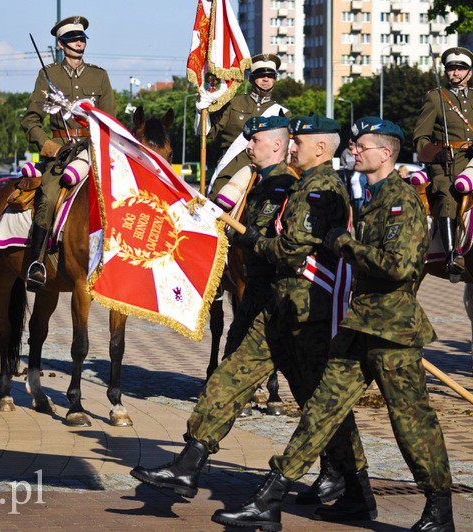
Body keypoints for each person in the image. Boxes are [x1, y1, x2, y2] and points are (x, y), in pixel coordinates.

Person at [211, 117, 454, 532]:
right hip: (360, 326)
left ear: (385, 153)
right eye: (354, 145)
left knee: (411, 421)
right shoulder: (374, 196)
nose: (354, 151)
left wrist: (344, 243)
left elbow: (399, 266)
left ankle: (439, 510)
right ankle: (270, 500)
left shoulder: (402, 200)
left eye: (362, 146)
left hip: (392, 332)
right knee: (320, 412)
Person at [131, 115, 374, 522]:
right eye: (290, 140)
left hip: (304, 313)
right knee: (230, 380)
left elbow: (288, 249)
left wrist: (250, 240)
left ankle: (353, 486)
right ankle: (188, 465)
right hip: (274, 310)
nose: (292, 146)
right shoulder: (284, 183)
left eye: (296, 141)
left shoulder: (309, 187)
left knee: (322, 403)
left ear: (316, 147)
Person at [21, 15, 115, 290]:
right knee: (49, 196)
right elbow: (30, 119)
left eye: (82, 38)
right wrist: (46, 144)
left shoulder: (99, 76)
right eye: (73, 39)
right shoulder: (49, 75)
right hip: (61, 155)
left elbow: (109, 118)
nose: (79, 42)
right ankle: (36, 262)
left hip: (94, 151)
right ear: (61, 44)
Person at [414, 46, 473, 277]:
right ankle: (452, 255)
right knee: (446, 194)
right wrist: (435, 153)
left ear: (470, 73)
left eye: (461, 69)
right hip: (447, 161)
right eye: (451, 68)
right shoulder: (435, 97)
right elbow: (420, 136)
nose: (455, 73)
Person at [221, 115, 296, 361]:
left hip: (277, 294)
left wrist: (244, 237)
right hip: (253, 291)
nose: (248, 146)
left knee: (299, 372)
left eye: (255, 139)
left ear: (276, 145)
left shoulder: (289, 185)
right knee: (231, 366)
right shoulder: (257, 180)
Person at [199, 53, 290, 200]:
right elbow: (208, 132)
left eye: (270, 76)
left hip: (266, 174)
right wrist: (201, 112)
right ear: (251, 79)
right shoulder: (233, 103)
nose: (266, 79)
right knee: (215, 210)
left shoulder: (282, 113)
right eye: (260, 75)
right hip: (231, 169)